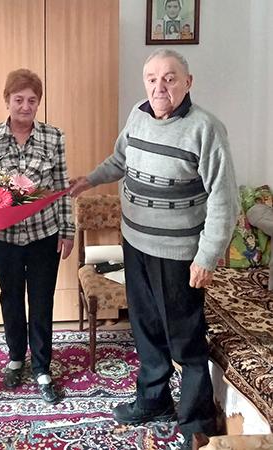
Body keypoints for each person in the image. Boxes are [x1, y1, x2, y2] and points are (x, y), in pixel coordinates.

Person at [70, 49, 238, 450]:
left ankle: (197, 422)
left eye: (170, 78)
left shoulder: (206, 129)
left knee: (185, 337)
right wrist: (90, 179)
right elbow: (120, 159)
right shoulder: (137, 114)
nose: (159, 87)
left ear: (188, 82)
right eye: (152, 79)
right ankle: (153, 399)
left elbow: (224, 200)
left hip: (178, 253)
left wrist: (206, 257)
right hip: (134, 243)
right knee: (145, 328)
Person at [0, 68, 75, 404]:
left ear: (39, 103)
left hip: (44, 235)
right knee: (10, 298)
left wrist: (68, 229)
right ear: (7, 100)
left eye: (31, 100)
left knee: (41, 300)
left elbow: (62, 187)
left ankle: (41, 367)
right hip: (4, 238)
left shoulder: (54, 137)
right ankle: (15, 358)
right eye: (18, 99)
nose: (25, 106)